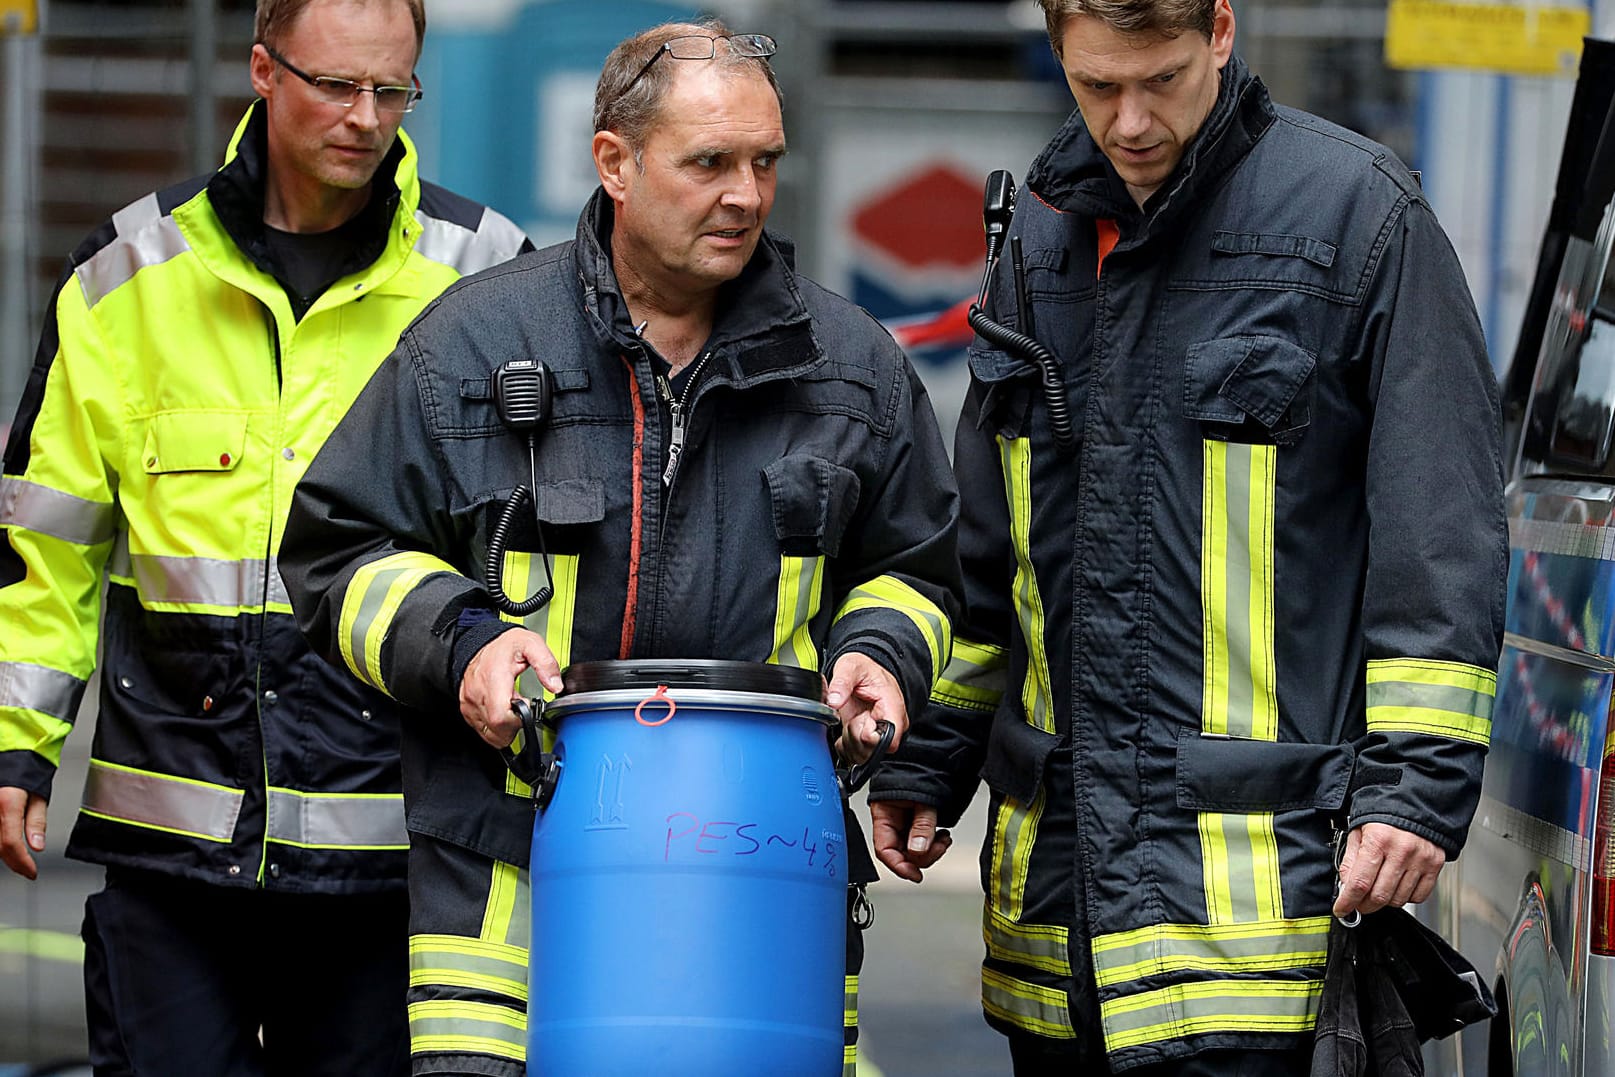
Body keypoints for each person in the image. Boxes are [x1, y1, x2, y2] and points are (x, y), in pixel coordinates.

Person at [277, 18, 959, 1077]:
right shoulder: (473, 345)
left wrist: (880, 650)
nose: (745, 193)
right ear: (615, 162)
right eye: (709, 163)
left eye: (764, 161)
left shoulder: (849, 369)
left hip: (753, 884)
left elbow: (915, 564)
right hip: (510, 894)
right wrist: (463, 645)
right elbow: (341, 550)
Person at [866, 0, 1508, 1073]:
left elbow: (1438, 531)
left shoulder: (1357, 218)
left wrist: (1414, 792)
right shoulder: (1037, 233)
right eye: (1094, 85)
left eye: (1159, 80)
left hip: (1260, 920)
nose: (1126, 122)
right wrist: (933, 757)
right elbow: (994, 548)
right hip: (1060, 928)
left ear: (1219, 29)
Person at [0, 0, 531, 1071]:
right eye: (336, 85)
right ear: (261, 69)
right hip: (174, 839)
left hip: (394, 842)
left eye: (392, 90)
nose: (366, 118)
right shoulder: (128, 276)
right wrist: (17, 744)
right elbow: (45, 542)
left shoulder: (488, 275)